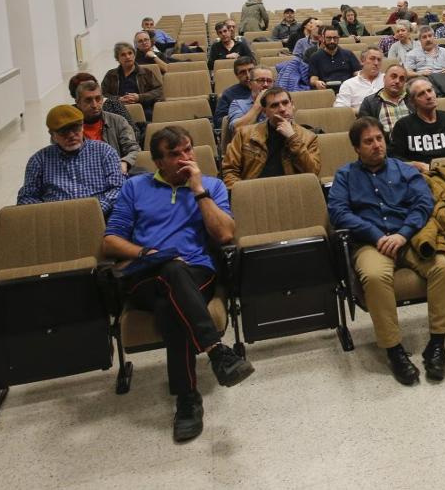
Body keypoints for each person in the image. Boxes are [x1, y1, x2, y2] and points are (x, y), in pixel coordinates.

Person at [104, 126, 254, 441]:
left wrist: (198, 190)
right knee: (170, 267)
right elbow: (111, 240)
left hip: (197, 272)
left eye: (188, 149)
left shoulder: (211, 185)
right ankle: (216, 351)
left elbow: (225, 234)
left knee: (171, 305)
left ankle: (187, 399)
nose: (185, 157)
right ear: (158, 162)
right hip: (144, 275)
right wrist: (145, 252)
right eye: (175, 154)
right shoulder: (135, 187)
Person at [328, 116, 445, 385]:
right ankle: (394, 349)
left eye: (379, 139)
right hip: (369, 243)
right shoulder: (345, 176)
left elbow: (423, 203)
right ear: (356, 148)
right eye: (368, 142)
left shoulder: (404, 170)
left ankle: (437, 344)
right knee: (374, 277)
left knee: (443, 268)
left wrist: (403, 233)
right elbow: (338, 212)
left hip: (408, 238)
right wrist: (375, 235)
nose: (376, 145)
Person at [17, 105, 125, 215]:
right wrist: (49, 214)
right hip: (56, 219)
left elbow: (118, 187)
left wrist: (94, 211)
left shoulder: (105, 152)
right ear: (52, 135)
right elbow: (26, 197)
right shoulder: (39, 161)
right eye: (63, 131)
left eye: (75, 128)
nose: (71, 135)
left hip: (99, 217)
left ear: (82, 127)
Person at [221, 86, 321, 187]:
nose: (282, 109)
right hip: (254, 190)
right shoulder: (244, 134)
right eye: (274, 105)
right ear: (265, 111)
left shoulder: (309, 137)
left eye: (285, 103)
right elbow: (230, 170)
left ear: (292, 105)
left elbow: (312, 173)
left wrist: (292, 138)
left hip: (292, 191)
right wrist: (243, 192)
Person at [388, 77, 445, 173]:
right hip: (421, 175)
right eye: (421, 94)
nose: (429, 96)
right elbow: (394, 157)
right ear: (412, 101)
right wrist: (415, 165)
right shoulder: (403, 126)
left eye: (430, 90)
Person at [75, 78, 139, 173]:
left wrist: (124, 162)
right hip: (84, 174)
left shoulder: (118, 121)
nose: (94, 105)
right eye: (88, 100)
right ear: (78, 103)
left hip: (115, 171)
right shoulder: (70, 128)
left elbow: (133, 148)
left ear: (102, 99)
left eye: (98, 99)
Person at [101, 41, 163, 116]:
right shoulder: (111, 75)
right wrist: (119, 99)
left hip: (143, 109)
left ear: (134, 55)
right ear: (118, 59)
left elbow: (159, 91)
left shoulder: (146, 73)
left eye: (130, 53)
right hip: (118, 111)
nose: (128, 57)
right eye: (123, 55)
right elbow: (103, 94)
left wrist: (139, 97)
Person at [358, 63, 410, 135]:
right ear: (384, 78)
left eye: (401, 79)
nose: (397, 81)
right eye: (393, 76)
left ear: (404, 83)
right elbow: (365, 131)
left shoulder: (412, 99)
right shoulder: (369, 102)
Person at [215, 56, 256, 126]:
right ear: (237, 76)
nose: (248, 75)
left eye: (251, 70)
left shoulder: (266, 87)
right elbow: (218, 120)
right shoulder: (228, 94)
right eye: (242, 72)